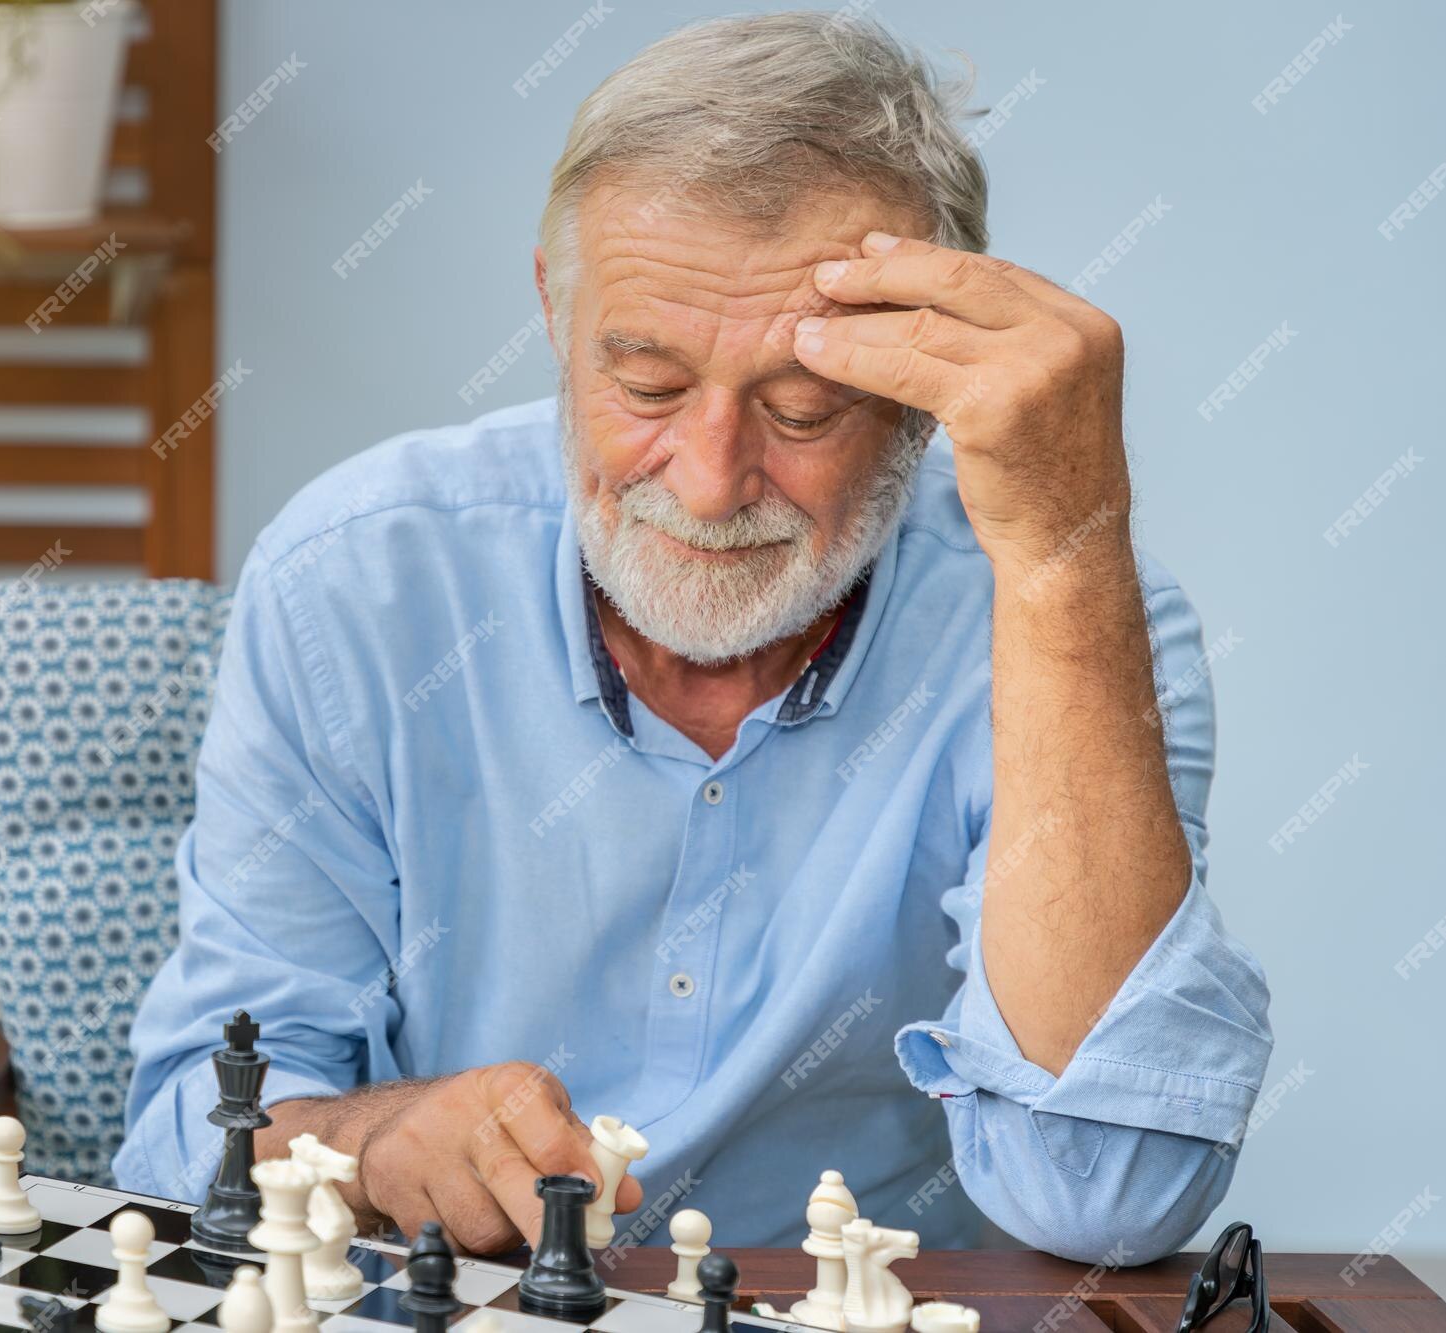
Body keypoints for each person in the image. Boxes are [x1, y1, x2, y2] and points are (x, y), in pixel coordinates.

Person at [116, 12, 1271, 1263]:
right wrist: (379, 1139)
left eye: (802, 408)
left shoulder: (1086, 622)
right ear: (557, 311)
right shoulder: (350, 582)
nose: (712, 483)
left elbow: (1108, 1197)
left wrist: (1063, 557)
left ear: (919, 399)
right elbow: (194, 1125)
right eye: (649, 386)